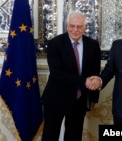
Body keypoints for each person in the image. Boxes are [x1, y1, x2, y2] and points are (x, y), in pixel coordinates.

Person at [41, 10, 101, 141]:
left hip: (78, 100)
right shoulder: (54, 44)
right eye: (72, 26)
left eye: (79, 26)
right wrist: (84, 82)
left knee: (74, 137)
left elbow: (95, 72)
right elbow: (57, 73)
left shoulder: (93, 45)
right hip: (56, 98)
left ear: (85, 27)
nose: (75, 30)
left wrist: (93, 98)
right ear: (67, 26)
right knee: (50, 136)